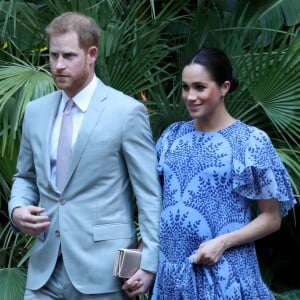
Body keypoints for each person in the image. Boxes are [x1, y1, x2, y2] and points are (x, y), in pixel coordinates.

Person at [8, 12, 162, 300]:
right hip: (44, 271)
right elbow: (25, 177)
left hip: (104, 273)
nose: (58, 65)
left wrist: (150, 262)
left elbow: (149, 195)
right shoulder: (35, 112)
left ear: (92, 54)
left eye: (68, 56)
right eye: (53, 56)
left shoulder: (126, 112)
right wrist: (17, 209)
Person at [151, 47, 296, 299]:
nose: (190, 96)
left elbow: (272, 218)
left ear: (224, 87)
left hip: (224, 275)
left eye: (200, 87)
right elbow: (157, 204)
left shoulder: (250, 142)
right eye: (185, 87)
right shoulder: (171, 137)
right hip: (172, 278)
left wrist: (223, 242)